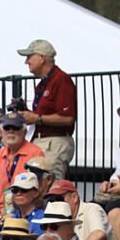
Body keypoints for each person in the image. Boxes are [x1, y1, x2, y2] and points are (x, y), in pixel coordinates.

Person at [16, 38, 76, 178]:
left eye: (29, 57)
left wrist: (37, 118)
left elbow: (68, 118)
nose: (26, 62)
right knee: (36, 185)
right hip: (43, 141)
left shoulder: (61, 80)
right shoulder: (43, 83)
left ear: (42, 58)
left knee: (50, 185)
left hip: (55, 143)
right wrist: (27, 114)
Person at [0, 113, 43, 237]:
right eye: (7, 128)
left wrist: (12, 211)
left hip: (22, 209)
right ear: (2, 131)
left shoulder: (35, 153)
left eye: (15, 128)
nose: (11, 131)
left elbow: (38, 191)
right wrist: (1, 211)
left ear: (24, 131)